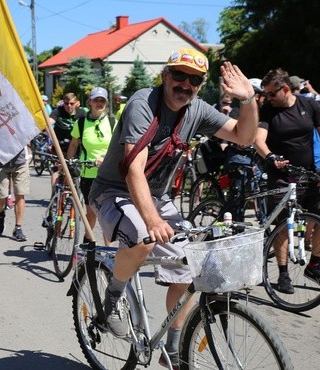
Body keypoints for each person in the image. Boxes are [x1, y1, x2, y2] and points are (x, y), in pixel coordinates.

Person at [88, 48, 259, 369]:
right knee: (142, 237)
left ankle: (171, 347)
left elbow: (244, 136)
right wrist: (151, 220)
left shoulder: (197, 110)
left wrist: (248, 100)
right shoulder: (143, 104)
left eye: (194, 80)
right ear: (165, 75)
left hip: (157, 197)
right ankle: (112, 300)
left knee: (185, 267)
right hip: (113, 190)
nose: (185, 84)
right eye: (179, 75)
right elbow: (133, 169)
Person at [253, 68, 320, 295]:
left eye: (271, 94)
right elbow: (258, 139)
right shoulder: (268, 110)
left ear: (285, 89)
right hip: (281, 174)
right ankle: (283, 274)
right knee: (283, 224)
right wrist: (270, 156)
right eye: (266, 94)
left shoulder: (309, 105)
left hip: (309, 171)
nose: (268, 98)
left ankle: (314, 265)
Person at [66, 87, 113, 244]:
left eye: (102, 100)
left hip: (108, 175)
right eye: (96, 100)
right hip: (88, 174)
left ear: (106, 103)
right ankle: (88, 241)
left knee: (108, 215)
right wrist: (67, 163)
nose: (99, 103)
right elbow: (73, 145)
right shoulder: (81, 123)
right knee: (92, 214)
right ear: (90, 102)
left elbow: (119, 147)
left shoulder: (113, 122)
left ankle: (109, 254)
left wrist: (105, 157)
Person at [47, 92, 86, 187]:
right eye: (66, 103)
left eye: (71, 103)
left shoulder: (81, 113)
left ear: (76, 103)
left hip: (75, 147)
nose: (68, 106)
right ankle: (55, 196)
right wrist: (52, 139)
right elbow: (48, 123)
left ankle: (68, 193)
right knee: (57, 169)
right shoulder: (58, 111)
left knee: (72, 170)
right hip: (60, 146)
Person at [0, 148, 30, 242]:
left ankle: (18, 228)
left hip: (20, 163)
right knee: (1, 196)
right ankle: (0, 213)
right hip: (0, 162)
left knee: (20, 194)